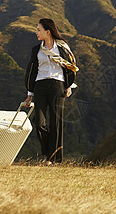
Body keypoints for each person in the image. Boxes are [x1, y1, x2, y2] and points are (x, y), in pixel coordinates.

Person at [24, 18, 78, 165]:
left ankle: (52, 159)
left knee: (56, 123)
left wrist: (69, 86)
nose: (36, 32)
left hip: (57, 86)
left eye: (39, 30)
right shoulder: (37, 49)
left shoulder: (62, 47)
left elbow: (71, 66)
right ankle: (51, 153)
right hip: (40, 86)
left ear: (48, 32)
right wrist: (30, 94)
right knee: (39, 122)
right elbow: (32, 71)